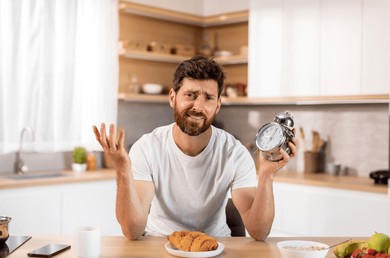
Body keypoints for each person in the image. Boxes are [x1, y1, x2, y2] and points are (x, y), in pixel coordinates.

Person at [93, 55, 299, 241]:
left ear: (218, 105)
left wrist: (266, 175)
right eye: (190, 95)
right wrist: (122, 169)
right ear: (173, 97)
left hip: (215, 247)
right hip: (159, 244)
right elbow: (132, 230)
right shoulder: (147, 147)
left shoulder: (234, 152)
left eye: (208, 98)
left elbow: (259, 232)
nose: (198, 107)